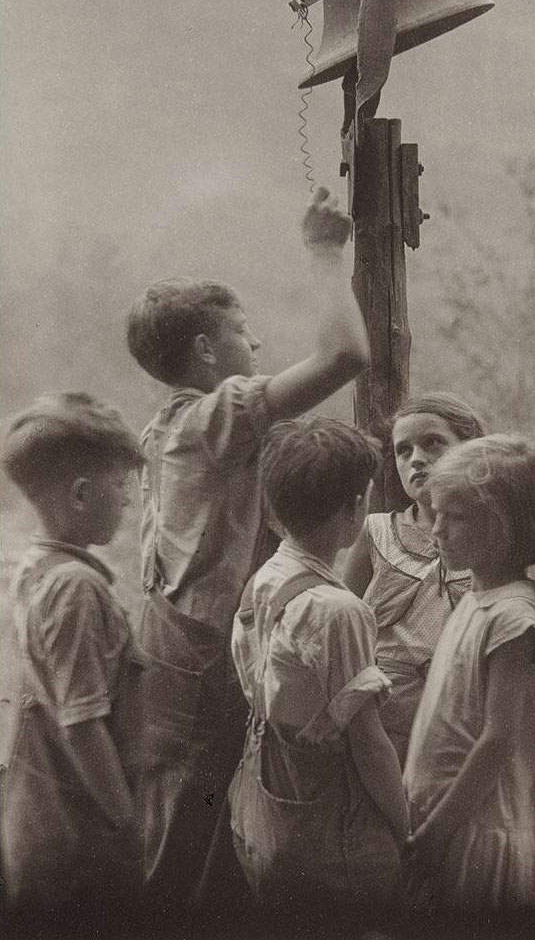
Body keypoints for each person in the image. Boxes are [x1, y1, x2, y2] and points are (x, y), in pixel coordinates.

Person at [124, 186, 369, 907]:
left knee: (177, 819)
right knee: (197, 835)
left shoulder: (164, 425)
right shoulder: (216, 416)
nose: (256, 344)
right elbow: (347, 352)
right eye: (243, 330)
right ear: (204, 348)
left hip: (167, 644)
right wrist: (326, 251)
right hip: (201, 656)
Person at [228, 416, 408, 924]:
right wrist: (404, 827)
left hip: (265, 790)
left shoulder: (266, 578)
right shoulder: (338, 609)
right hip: (330, 818)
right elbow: (368, 741)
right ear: (355, 509)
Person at [0, 393, 145, 920]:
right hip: (76, 839)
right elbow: (83, 722)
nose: (127, 500)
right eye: (119, 485)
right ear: (81, 495)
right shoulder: (76, 588)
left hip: (39, 824)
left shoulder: (34, 567)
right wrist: (129, 825)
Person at [403, 435, 535, 920]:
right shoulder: (476, 599)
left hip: (476, 835)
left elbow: (498, 739)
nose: (436, 531)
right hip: (447, 825)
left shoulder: (513, 616)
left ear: (503, 525)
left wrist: (435, 832)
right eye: (435, 514)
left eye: (455, 517)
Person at [343, 392, 485, 764]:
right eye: (403, 451)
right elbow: (341, 628)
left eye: (433, 443)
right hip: (380, 728)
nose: (417, 459)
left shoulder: (493, 542)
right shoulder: (376, 533)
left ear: (471, 449)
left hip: (461, 727)